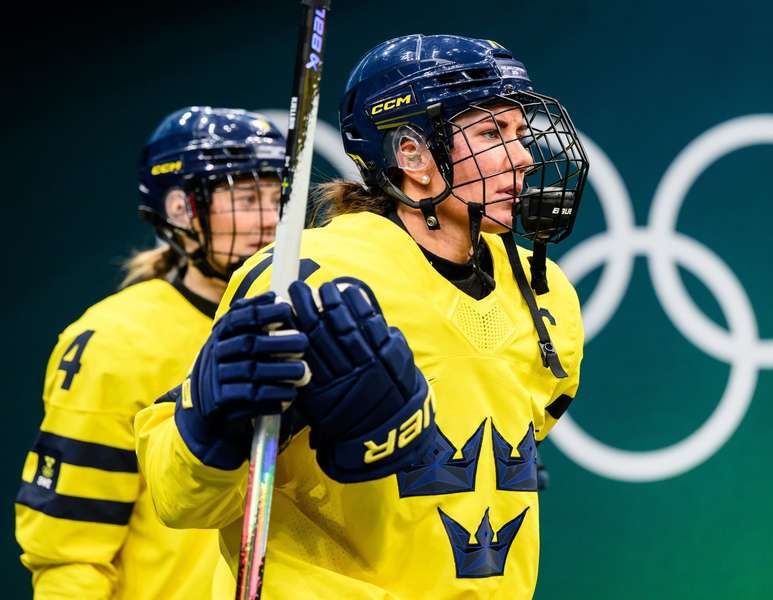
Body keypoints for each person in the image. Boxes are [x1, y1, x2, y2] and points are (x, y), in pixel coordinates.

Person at [135, 34, 589, 599]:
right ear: (412, 155)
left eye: (520, 133)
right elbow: (182, 499)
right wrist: (208, 425)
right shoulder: (307, 276)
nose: (522, 157)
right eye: (492, 133)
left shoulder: (546, 292)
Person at [15, 106, 285, 599]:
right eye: (247, 198)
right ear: (181, 209)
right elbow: (70, 548)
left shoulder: (309, 318)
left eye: (277, 197)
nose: (270, 220)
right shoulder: (115, 340)